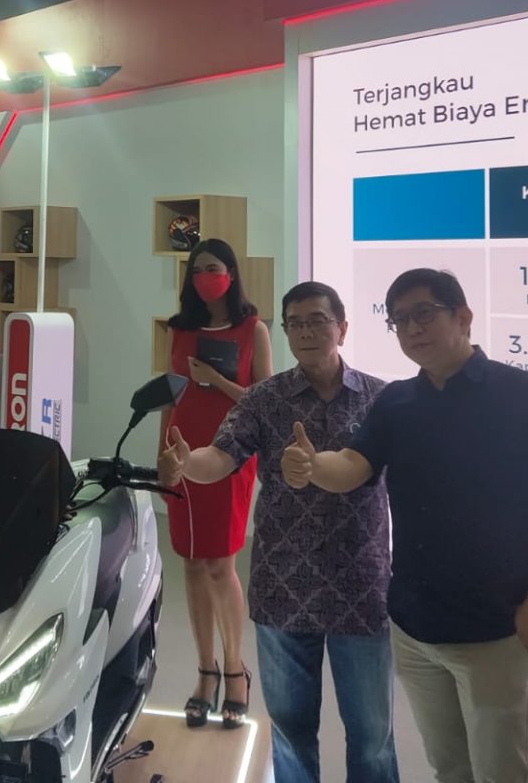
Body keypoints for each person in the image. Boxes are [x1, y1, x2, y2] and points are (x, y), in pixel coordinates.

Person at [282, 268, 528, 783]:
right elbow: (353, 465)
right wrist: (315, 466)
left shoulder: (525, 395)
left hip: (496, 632)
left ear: (463, 317)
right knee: (449, 768)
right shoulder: (397, 402)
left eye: (423, 313)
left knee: (502, 774)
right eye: (399, 319)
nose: (411, 328)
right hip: (415, 630)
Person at [160, 282, 399, 783]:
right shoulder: (264, 399)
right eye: (296, 323)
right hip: (283, 588)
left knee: (372, 736)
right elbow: (221, 456)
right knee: (290, 732)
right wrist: (188, 464)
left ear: (342, 328)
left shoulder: (381, 398)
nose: (306, 332)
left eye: (318, 321)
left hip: (360, 586)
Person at [160, 238, 272, 729]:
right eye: (197, 269)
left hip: (230, 453)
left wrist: (215, 379)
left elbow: (263, 400)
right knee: (190, 562)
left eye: (213, 267)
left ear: (231, 272)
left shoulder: (253, 329)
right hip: (182, 449)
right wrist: (161, 455)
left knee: (219, 564)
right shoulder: (180, 329)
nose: (205, 277)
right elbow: (170, 396)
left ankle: (234, 669)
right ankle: (204, 671)